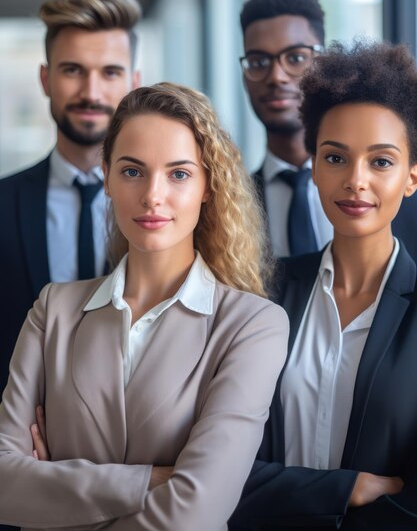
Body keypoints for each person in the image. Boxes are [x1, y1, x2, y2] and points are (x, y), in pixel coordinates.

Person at [0, 82, 289, 531]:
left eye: (178, 174)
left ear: (208, 184)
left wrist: (54, 490)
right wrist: (153, 480)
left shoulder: (253, 325)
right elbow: (4, 484)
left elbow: (196, 511)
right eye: (133, 171)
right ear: (107, 176)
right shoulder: (53, 309)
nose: (153, 195)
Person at [229, 40, 417, 531]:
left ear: (412, 176)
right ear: (313, 167)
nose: (356, 181)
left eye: (381, 162)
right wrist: (345, 490)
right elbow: (221, 471)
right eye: (336, 158)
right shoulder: (261, 293)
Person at [0, 0, 141, 396]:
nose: (91, 92)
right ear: (46, 79)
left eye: (110, 72)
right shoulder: (3, 204)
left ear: (133, 83)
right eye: (72, 70)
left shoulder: (167, 208)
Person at [239, 0, 333, 257]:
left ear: (324, 62)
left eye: (295, 58)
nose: (276, 76)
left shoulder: (382, 193)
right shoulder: (231, 205)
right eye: (258, 62)